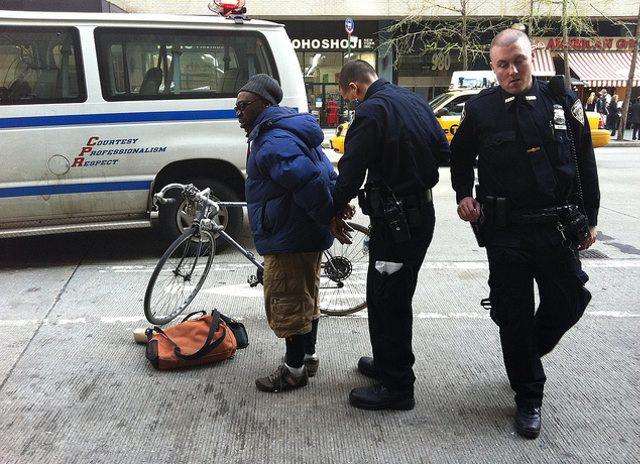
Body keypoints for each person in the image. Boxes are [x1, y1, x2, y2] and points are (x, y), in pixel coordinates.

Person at [450, 29, 600, 439]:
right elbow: (459, 157)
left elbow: (584, 158)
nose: (512, 71)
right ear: (493, 67)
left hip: (555, 227)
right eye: (503, 64)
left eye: (518, 61)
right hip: (506, 232)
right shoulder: (480, 109)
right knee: (513, 313)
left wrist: (591, 217)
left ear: (532, 58)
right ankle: (528, 395)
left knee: (571, 299)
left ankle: (526, 352)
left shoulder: (562, 100)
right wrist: (464, 195)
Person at [330, 60, 450, 410]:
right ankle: (386, 362)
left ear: (354, 87)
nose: (352, 102)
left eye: (348, 97)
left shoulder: (370, 112)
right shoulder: (415, 101)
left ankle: (397, 386)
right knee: (383, 293)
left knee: (390, 300)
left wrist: (332, 210)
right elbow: (443, 151)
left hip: (398, 223)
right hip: (418, 216)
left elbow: (351, 172)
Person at [236, 74, 337, 393]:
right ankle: (307, 357)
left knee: (287, 299)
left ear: (263, 104)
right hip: (300, 230)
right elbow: (325, 172)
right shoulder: (286, 130)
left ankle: (293, 371)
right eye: (236, 107)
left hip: (289, 234)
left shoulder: (273, 140)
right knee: (305, 295)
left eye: (243, 106)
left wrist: (329, 215)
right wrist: (331, 211)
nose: (238, 113)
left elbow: (307, 180)